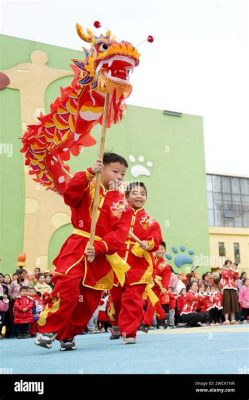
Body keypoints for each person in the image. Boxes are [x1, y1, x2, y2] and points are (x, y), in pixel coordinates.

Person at [35, 152, 131, 351]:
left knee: (88, 301)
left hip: (101, 255)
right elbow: (70, 195)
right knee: (68, 285)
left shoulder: (122, 203)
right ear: (101, 168)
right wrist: (88, 173)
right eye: (115, 171)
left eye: (122, 174)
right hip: (78, 246)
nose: (119, 177)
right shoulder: (87, 186)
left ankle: (68, 335)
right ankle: (48, 329)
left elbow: (120, 233)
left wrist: (99, 247)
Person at [109, 182, 163, 344]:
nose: (139, 196)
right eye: (135, 193)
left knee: (133, 299)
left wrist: (150, 244)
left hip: (138, 265)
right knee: (117, 299)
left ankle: (129, 332)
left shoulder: (151, 221)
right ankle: (117, 324)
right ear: (126, 196)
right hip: (116, 261)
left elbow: (157, 239)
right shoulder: (117, 214)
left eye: (143, 193)